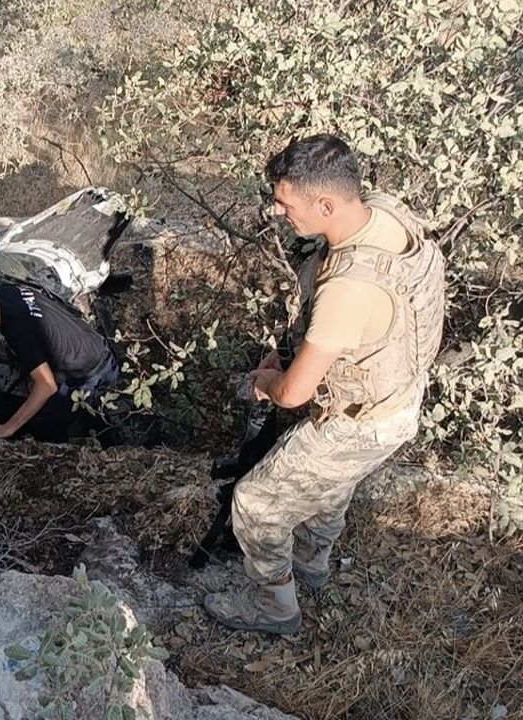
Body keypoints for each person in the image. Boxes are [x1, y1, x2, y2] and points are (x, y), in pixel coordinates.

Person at [204, 134, 446, 634]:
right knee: (330, 482)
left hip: (362, 421)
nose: (277, 211)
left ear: (327, 203)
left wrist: (266, 382)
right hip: (393, 404)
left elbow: (294, 393)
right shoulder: (383, 214)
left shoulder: (350, 289)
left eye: (285, 203)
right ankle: (312, 566)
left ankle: (275, 610)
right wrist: (291, 350)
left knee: (256, 502)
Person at [0, 283, 118, 442]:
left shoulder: (19, 331)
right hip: (92, 343)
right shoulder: (4, 292)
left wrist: (7, 428)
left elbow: (47, 385)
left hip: (92, 373)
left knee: (48, 429)